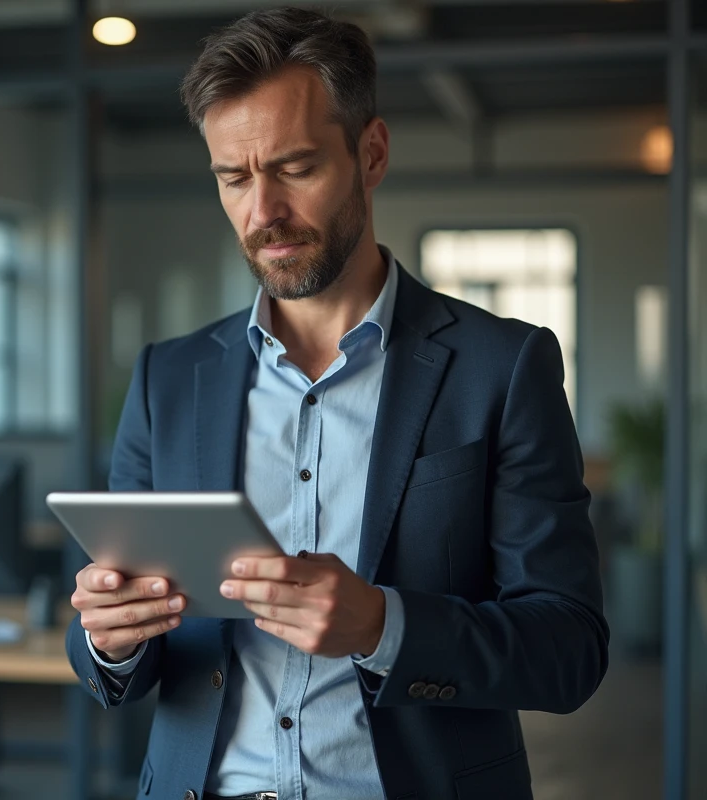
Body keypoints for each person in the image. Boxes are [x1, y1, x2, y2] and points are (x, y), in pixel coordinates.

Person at [65, 7, 608, 800]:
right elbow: (106, 651)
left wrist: (385, 626)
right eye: (233, 178)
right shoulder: (166, 379)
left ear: (371, 153)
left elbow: (569, 648)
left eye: (294, 168)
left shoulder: (504, 366)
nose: (262, 213)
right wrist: (108, 639)